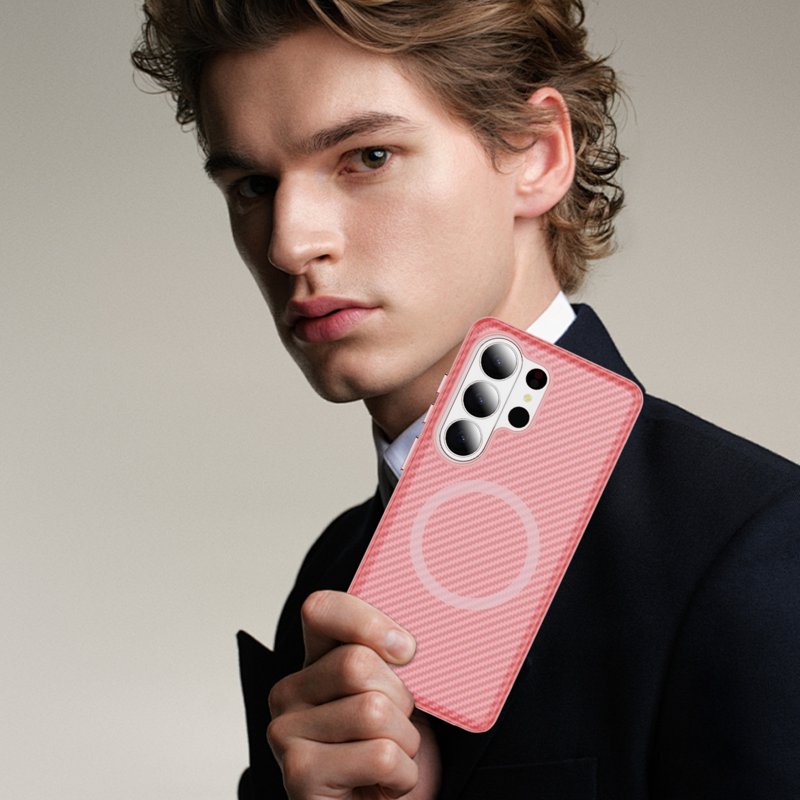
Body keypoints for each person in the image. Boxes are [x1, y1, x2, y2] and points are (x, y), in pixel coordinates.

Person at [131, 1, 800, 797]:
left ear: (537, 153)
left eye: (367, 156)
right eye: (251, 185)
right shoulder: (336, 573)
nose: (289, 242)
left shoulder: (755, 550)